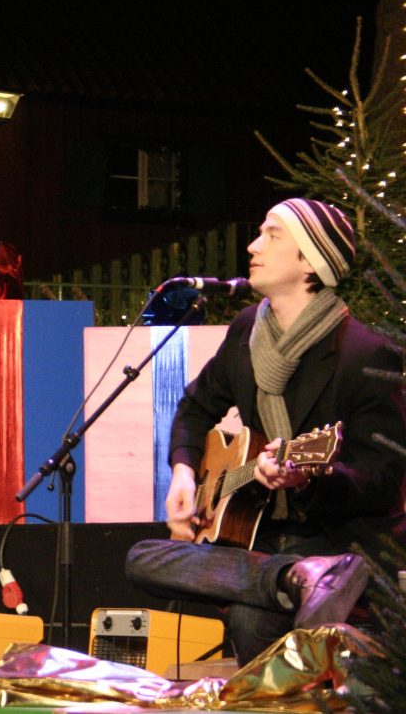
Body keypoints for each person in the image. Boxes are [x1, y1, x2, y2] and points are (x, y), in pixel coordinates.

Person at [125, 198, 406, 664]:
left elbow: (383, 480)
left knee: (249, 618)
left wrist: (309, 478)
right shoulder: (245, 332)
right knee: (141, 558)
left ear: (310, 261)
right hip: (262, 541)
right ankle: (292, 577)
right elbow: (195, 407)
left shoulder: (366, 354)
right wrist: (184, 473)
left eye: (272, 235)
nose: (253, 246)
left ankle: (309, 578)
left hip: (336, 538)